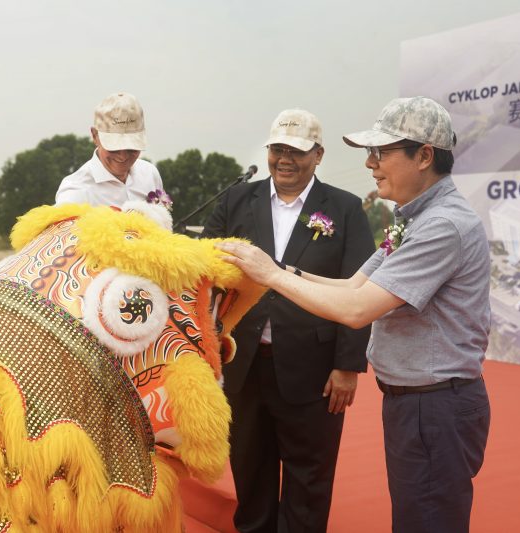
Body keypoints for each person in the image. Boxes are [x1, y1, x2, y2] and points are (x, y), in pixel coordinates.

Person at [216, 96, 491, 533]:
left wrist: (269, 275)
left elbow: (358, 309)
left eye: (381, 153)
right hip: (414, 401)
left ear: (423, 156)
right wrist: (278, 269)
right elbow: (350, 285)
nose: (370, 164)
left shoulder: (442, 226)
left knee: (428, 520)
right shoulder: (414, 220)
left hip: (436, 404)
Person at [202, 109, 374, 532]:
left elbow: (359, 287)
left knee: (309, 476)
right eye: (278, 149)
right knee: (249, 468)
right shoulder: (238, 200)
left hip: (314, 368)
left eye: (296, 152)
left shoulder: (345, 209)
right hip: (242, 363)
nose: (285, 159)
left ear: (318, 155)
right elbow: (203, 271)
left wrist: (347, 365)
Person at [54, 92, 164, 207]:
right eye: (114, 147)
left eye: (131, 148)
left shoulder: (150, 173)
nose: (123, 156)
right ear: (95, 136)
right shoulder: (75, 192)